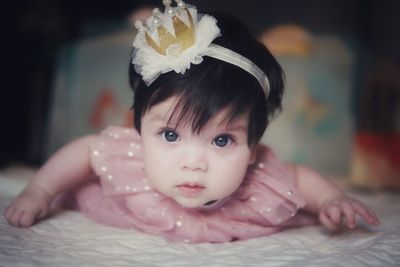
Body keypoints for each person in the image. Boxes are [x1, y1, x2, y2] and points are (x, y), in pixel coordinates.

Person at [4, 0, 379, 243]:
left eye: (221, 141)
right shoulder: (128, 159)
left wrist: (331, 198)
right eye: (170, 134)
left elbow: (298, 177)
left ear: (253, 147)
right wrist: (40, 190)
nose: (193, 162)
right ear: (139, 129)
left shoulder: (260, 181)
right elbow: (86, 151)